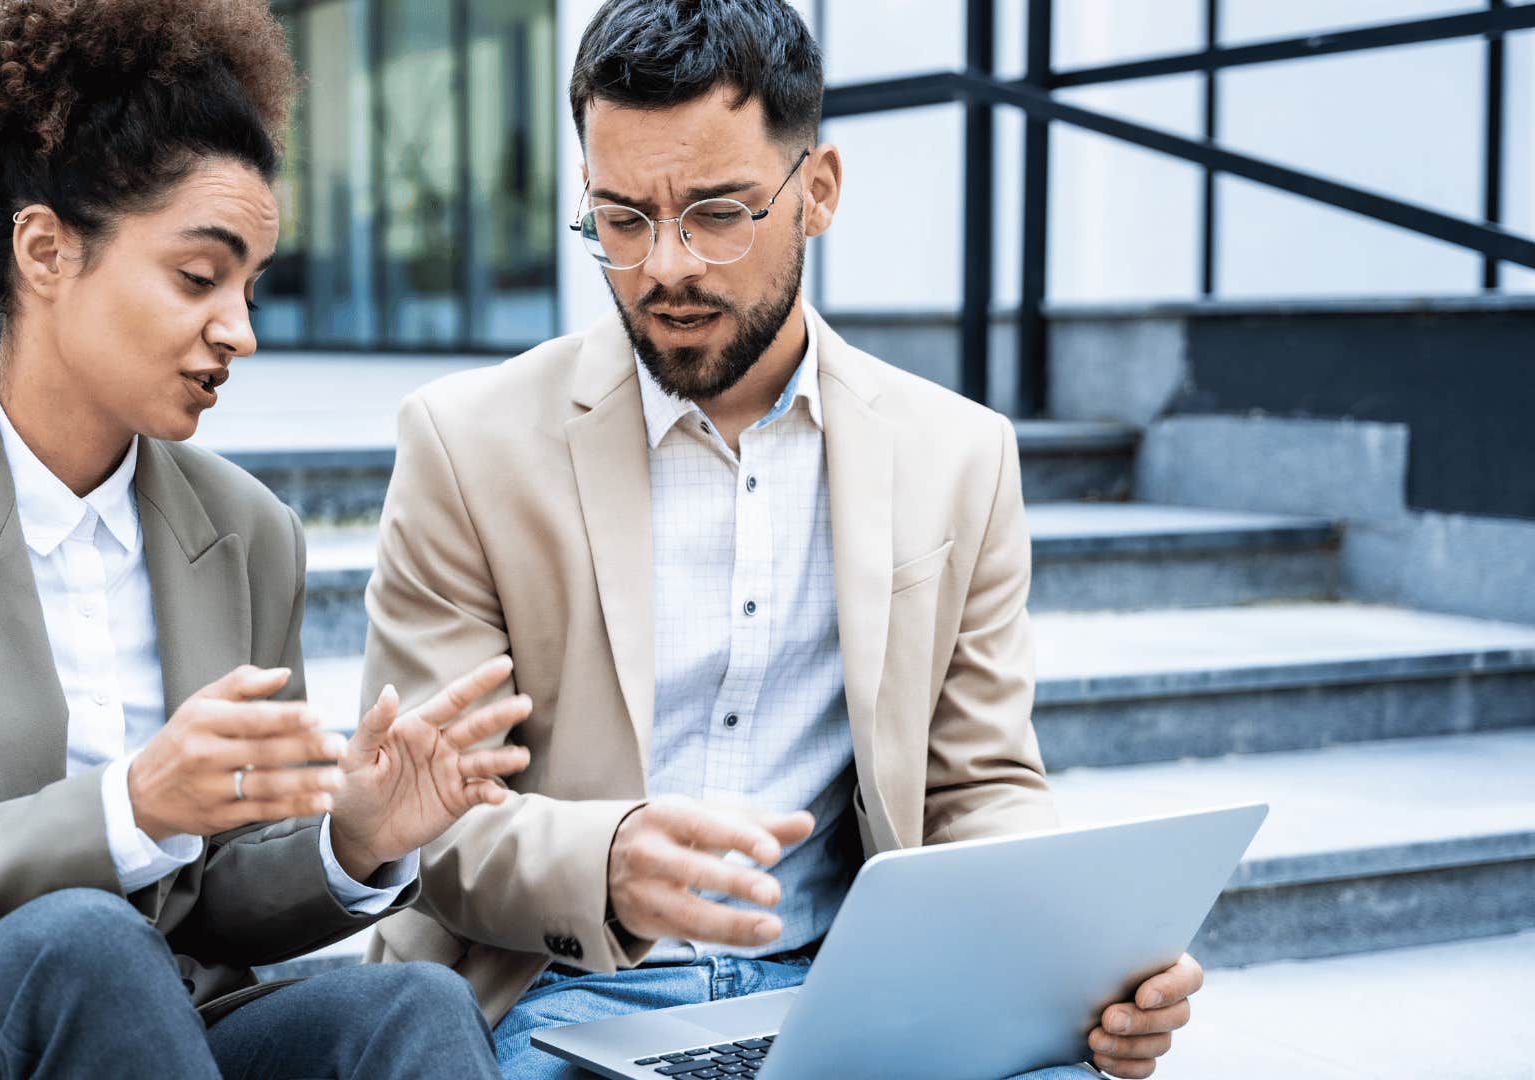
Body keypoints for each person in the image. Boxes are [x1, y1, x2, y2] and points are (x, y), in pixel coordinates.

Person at [0, 2, 522, 1078]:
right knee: (90, 944)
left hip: (144, 1036)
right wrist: (130, 807)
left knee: (415, 1011)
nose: (240, 330)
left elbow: (211, 904)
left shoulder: (249, 535)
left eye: (251, 285)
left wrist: (354, 838)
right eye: (198, 277)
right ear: (45, 251)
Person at [359, 2, 1203, 1078]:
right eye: (621, 219)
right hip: (565, 993)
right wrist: (606, 861)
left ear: (819, 192)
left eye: (716, 213)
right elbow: (425, 828)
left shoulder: (959, 454)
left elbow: (978, 789)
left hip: (848, 988)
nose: (664, 267)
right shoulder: (467, 446)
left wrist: (1084, 959)